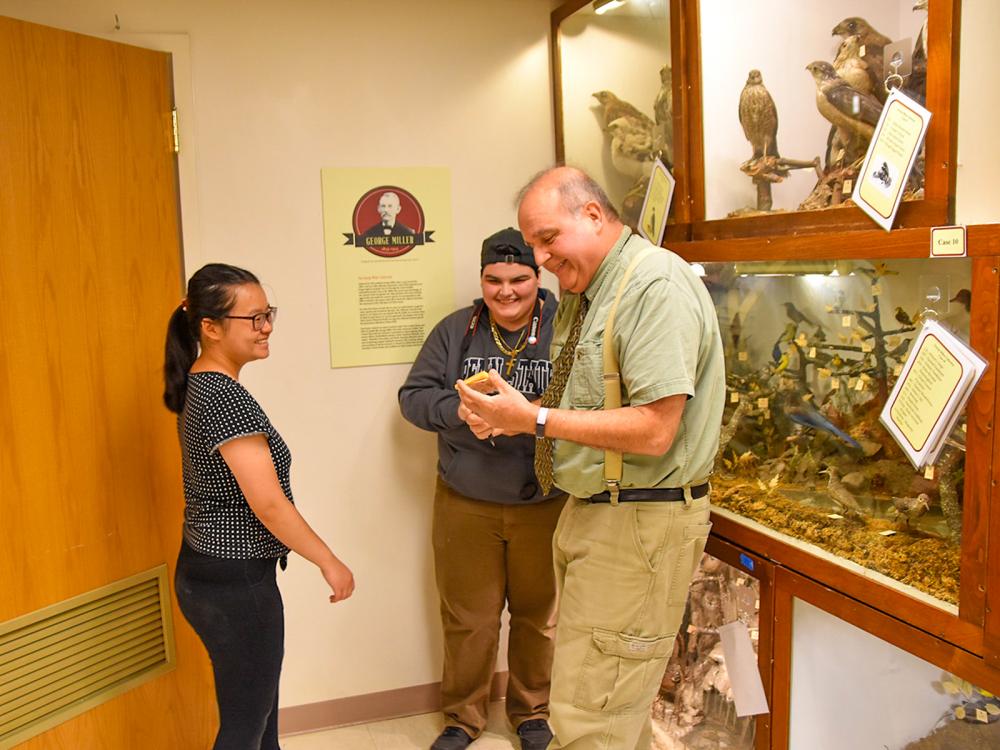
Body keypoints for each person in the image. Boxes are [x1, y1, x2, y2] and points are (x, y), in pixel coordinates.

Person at [455, 167, 725, 750]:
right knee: (595, 704)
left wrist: (531, 419)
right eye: (533, 244)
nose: (540, 256)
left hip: (638, 522)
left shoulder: (655, 287)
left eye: (548, 238)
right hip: (594, 514)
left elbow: (656, 429)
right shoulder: (593, 290)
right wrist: (514, 415)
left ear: (594, 216)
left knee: (591, 717)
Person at [163, 263, 355, 750]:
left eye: (268, 314)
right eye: (254, 318)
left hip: (214, 574)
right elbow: (268, 504)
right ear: (210, 327)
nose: (266, 326)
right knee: (245, 728)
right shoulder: (223, 398)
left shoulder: (204, 385)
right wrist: (328, 561)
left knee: (259, 718)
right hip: (234, 584)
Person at [399, 228, 566, 750]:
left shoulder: (567, 327)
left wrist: (533, 419)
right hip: (465, 502)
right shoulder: (455, 331)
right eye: (494, 280)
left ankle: (531, 713)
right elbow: (412, 398)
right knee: (469, 619)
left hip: (546, 501)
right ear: (482, 280)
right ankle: (463, 718)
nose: (507, 291)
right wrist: (459, 412)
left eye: (519, 279)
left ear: (539, 278)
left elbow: (594, 400)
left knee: (540, 617)